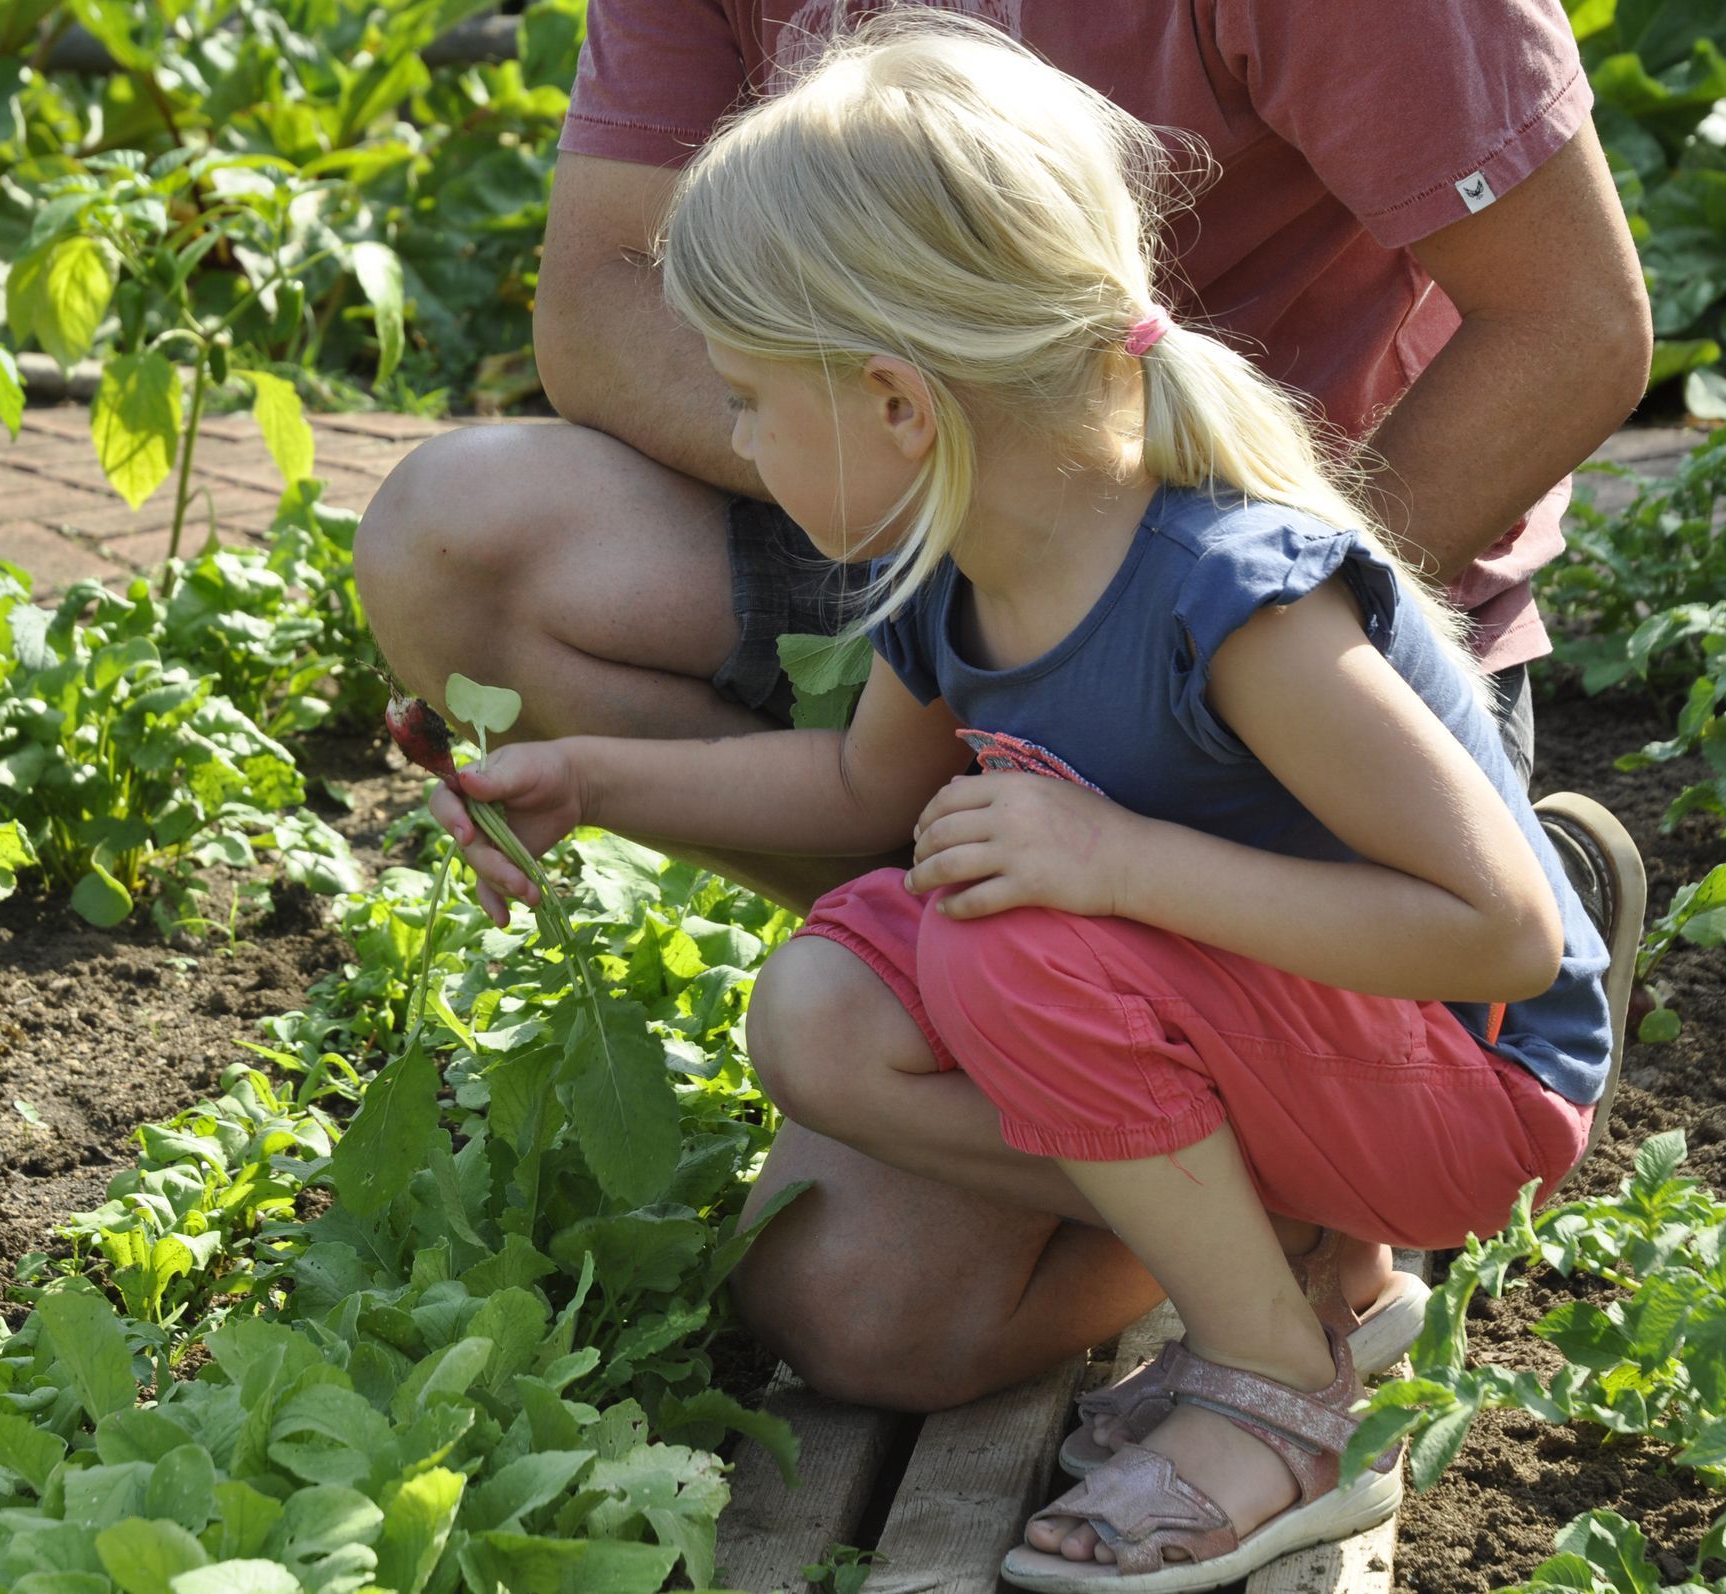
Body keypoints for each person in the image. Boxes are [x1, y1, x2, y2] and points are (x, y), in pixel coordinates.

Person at [427, 22, 1620, 1585]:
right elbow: (861, 786)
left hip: (1464, 1075)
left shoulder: (1230, 596)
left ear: (895, 403)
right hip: (1282, 1016)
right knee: (822, 1010)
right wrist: (589, 780)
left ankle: (1281, 1385)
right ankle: (1290, 1252)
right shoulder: (971, 565)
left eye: (748, 403)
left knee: (1014, 943)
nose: (726, 442)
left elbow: (1507, 934)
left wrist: (1117, 862)